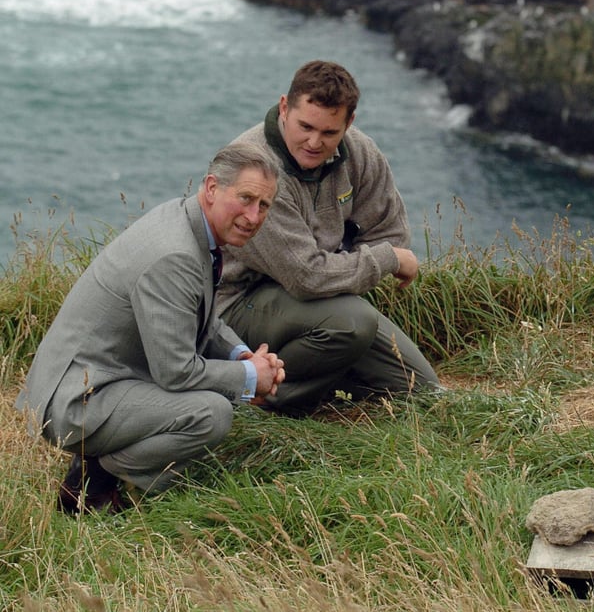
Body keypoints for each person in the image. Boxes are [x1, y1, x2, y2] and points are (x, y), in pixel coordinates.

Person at [16, 142, 286, 514]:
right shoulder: (175, 254)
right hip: (74, 401)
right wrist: (248, 377)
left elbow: (201, 315)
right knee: (211, 413)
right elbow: (176, 373)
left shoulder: (187, 223)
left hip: (94, 378)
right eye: (246, 198)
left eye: (264, 205)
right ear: (211, 188)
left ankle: (95, 471)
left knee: (219, 392)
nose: (254, 216)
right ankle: (92, 482)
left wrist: (241, 356)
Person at [216, 60, 441, 418]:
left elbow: (391, 231)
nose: (314, 142)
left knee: (423, 391)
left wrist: (341, 268)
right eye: (305, 126)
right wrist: (388, 261)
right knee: (353, 324)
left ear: (348, 123)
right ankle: (258, 398)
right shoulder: (256, 168)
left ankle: (321, 376)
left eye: (329, 132)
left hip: (323, 299)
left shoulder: (360, 152)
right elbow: (308, 277)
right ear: (285, 108)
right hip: (236, 304)